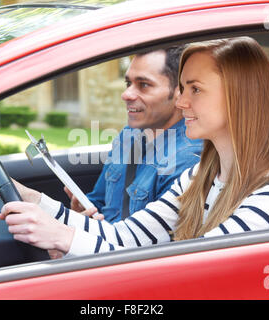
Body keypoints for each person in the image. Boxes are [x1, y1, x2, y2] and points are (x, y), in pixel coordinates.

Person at [0, 37, 269, 257]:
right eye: (182, 88)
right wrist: (36, 201)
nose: (181, 102)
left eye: (195, 89)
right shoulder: (200, 178)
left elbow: (189, 274)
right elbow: (125, 239)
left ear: (240, 97)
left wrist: (63, 237)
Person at [64, 46, 203, 223]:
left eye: (144, 85)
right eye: (128, 83)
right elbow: (99, 201)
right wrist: (84, 210)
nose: (126, 94)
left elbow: (152, 245)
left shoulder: (187, 159)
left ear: (180, 92)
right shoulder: (130, 134)